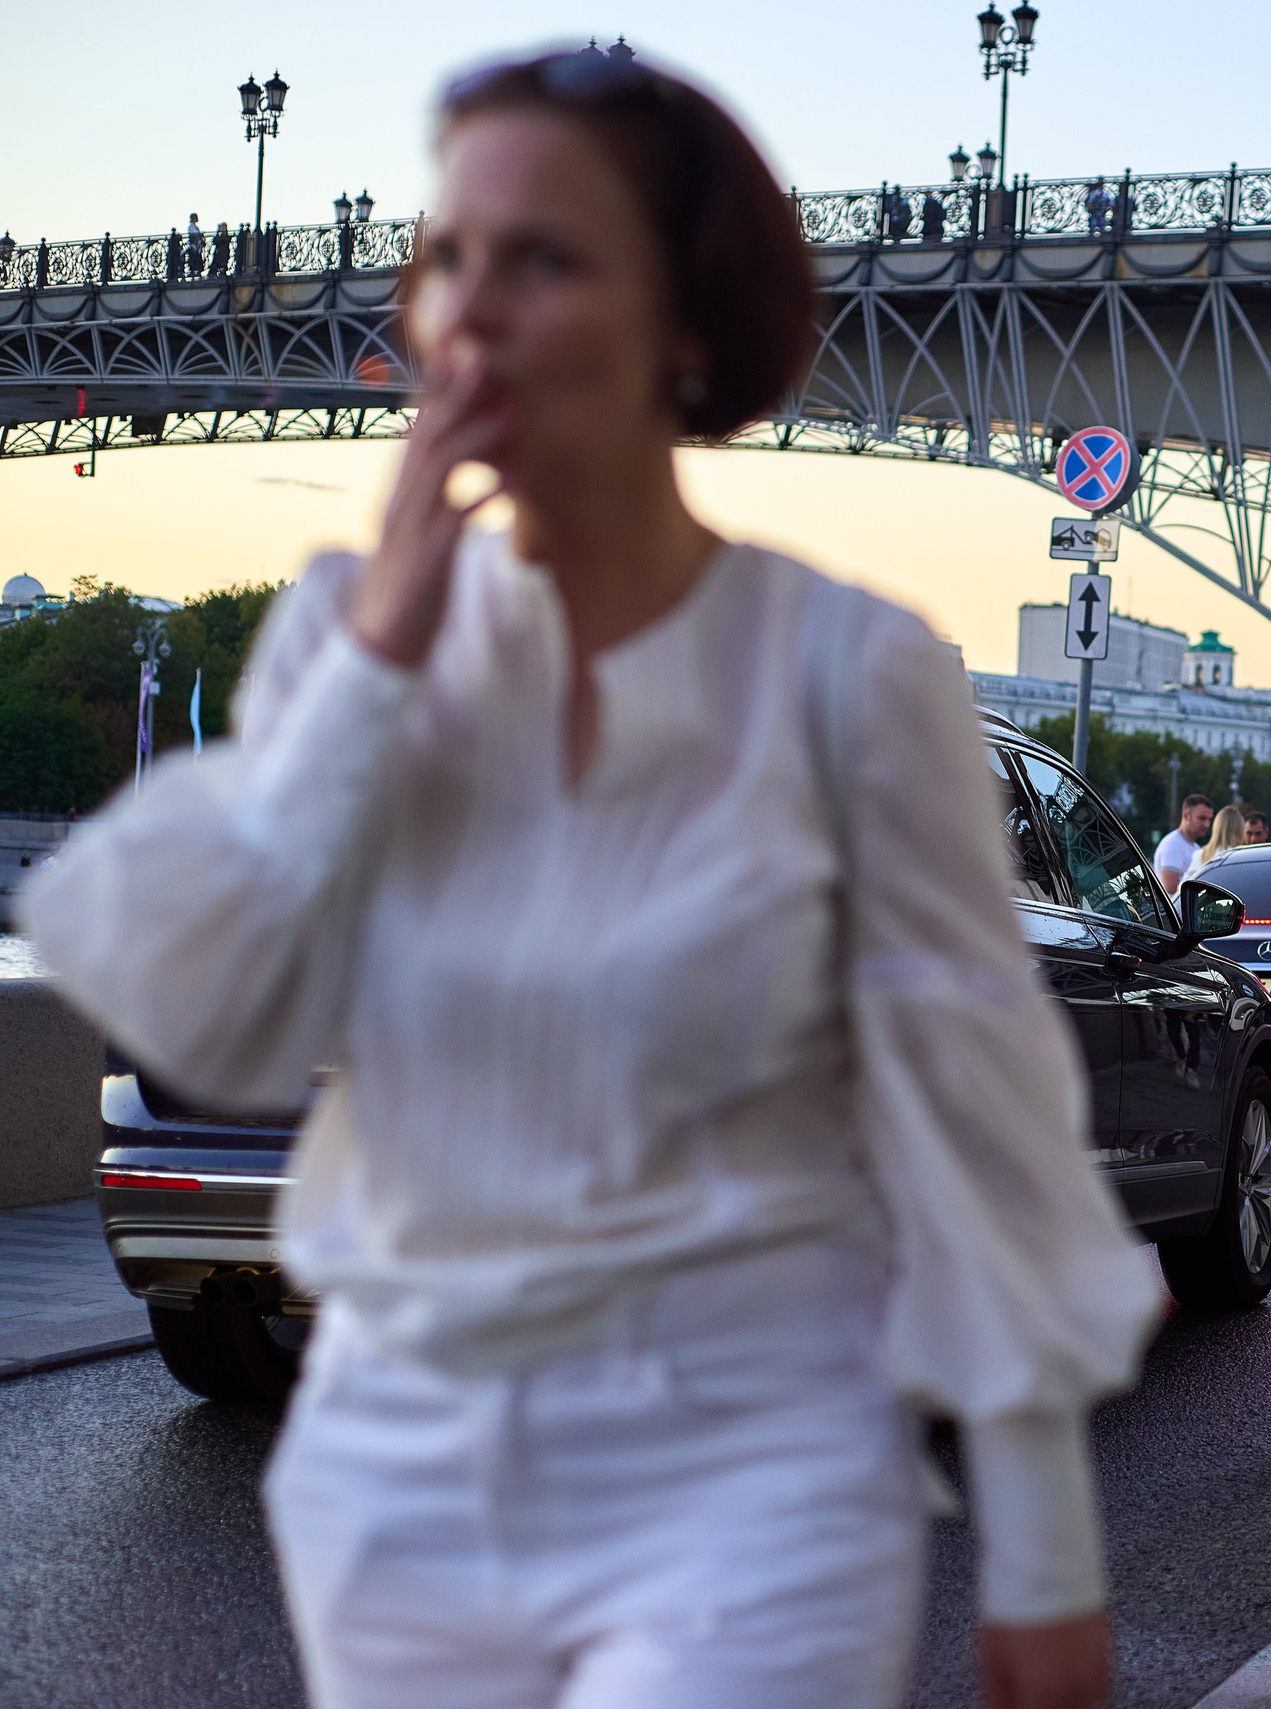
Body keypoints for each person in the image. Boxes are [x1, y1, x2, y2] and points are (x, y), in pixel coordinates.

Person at [23, 52, 1152, 1709]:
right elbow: (214, 1000)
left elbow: (968, 1108)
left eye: (544, 256)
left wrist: (1048, 1550)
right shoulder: (356, 632)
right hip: (398, 1483)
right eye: (449, 257)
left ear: (685, 324)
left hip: (749, 1475)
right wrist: (379, 661)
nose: (473, 308)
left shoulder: (849, 672)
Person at [1156, 793, 1213, 891]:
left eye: (1209, 819)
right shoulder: (1172, 844)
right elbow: (1170, 887)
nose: (1207, 824)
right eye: (1202, 818)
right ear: (1186, 815)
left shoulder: (1196, 848)